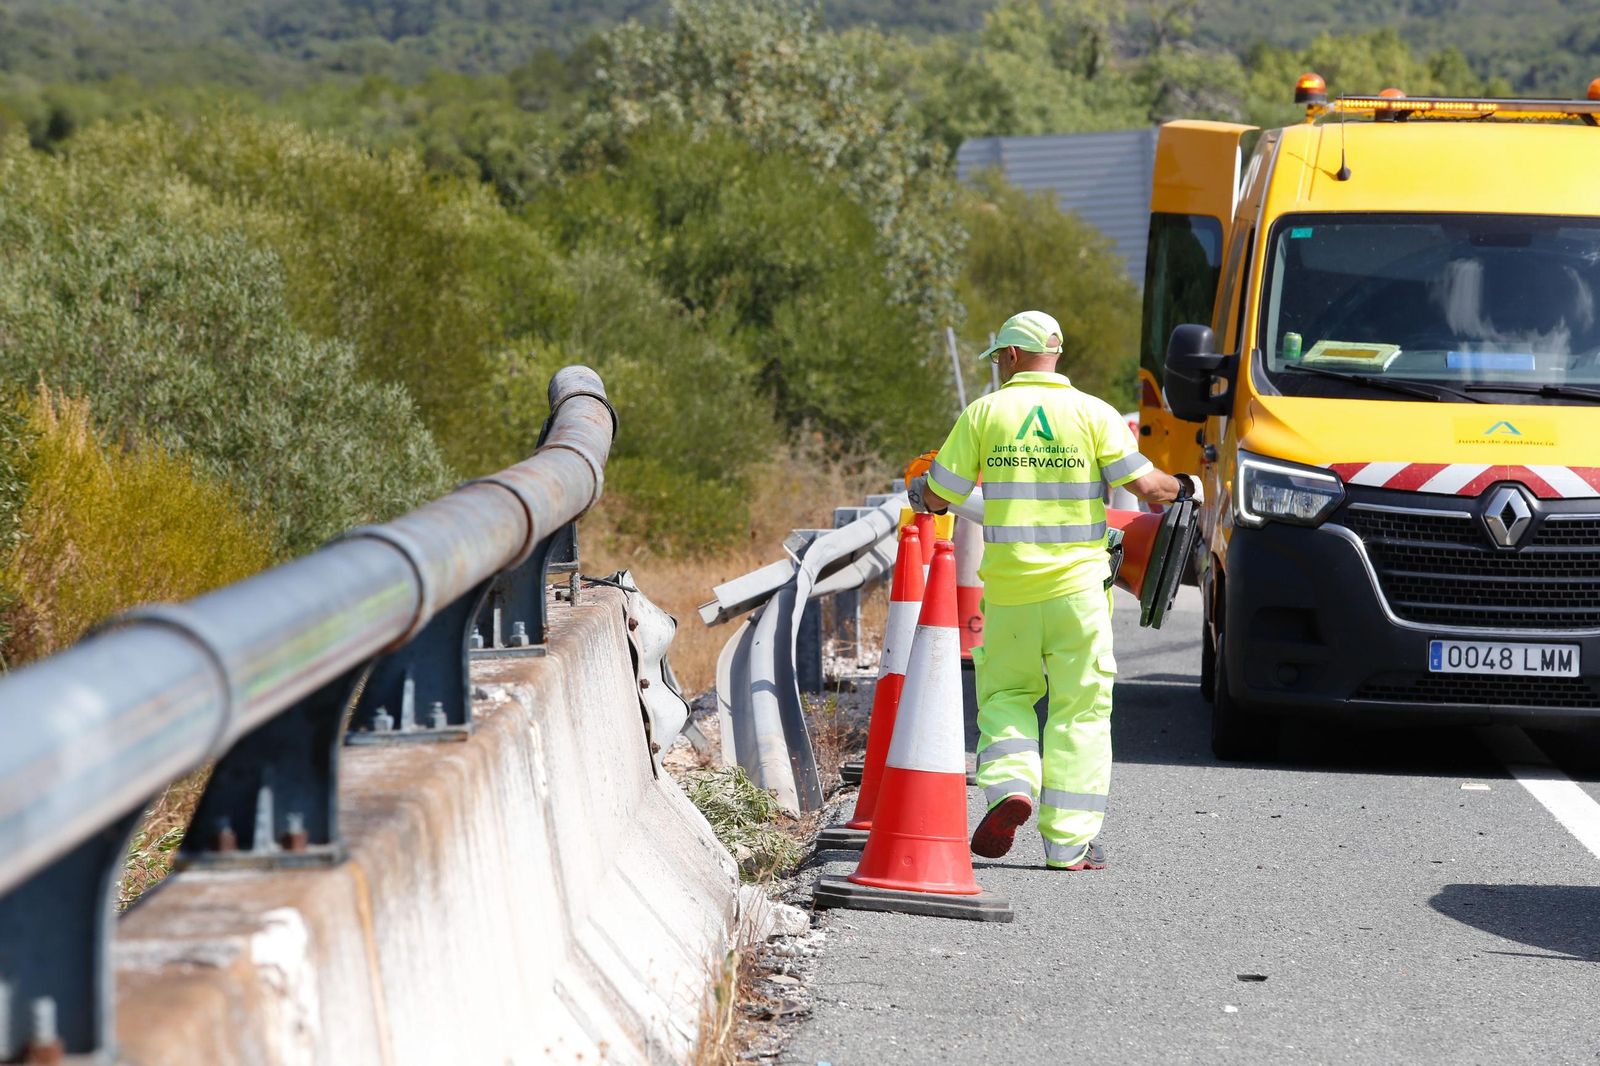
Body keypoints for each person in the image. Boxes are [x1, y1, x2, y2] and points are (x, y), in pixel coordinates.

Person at [911, 310, 1194, 870]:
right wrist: (1188, 484)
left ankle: (1012, 785)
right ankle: (1067, 844)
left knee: (1005, 697)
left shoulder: (984, 413)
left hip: (1012, 593)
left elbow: (941, 494)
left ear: (1012, 356)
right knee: (1080, 710)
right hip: (1079, 594)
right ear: (1054, 354)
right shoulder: (1095, 413)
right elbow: (1150, 487)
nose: (997, 366)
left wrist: (923, 490)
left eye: (998, 357)